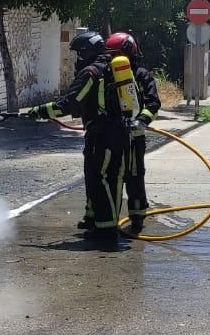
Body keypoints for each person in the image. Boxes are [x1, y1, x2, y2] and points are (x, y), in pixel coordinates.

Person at [25, 31, 129, 244]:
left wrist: (39, 111)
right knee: (112, 178)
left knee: (97, 178)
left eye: (78, 55)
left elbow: (69, 104)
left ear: (85, 53)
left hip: (101, 136)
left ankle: (106, 230)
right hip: (120, 133)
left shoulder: (90, 73)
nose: (76, 60)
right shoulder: (112, 69)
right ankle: (97, 221)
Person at [104, 32, 161, 237]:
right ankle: (110, 221)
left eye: (115, 54)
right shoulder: (107, 74)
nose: (111, 59)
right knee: (113, 176)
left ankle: (137, 218)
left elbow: (153, 102)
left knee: (135, 175)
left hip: (135, 136)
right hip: (114, 135)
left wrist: (142, 120)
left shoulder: (141, 75)